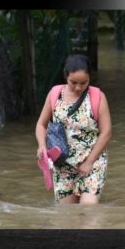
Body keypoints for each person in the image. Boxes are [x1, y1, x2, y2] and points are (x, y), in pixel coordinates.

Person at [35, 54, 112, 204]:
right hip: (63, 165)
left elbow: (106, 132)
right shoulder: (54, 94)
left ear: (90, 77)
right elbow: (41, 125)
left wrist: (89, 162)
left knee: (88, 209)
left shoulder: (98, 97)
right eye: (73, 82)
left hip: (92, 163)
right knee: (67, 215)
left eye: (84, 83)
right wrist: (42, 147)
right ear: (65, 76)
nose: (78, 87)